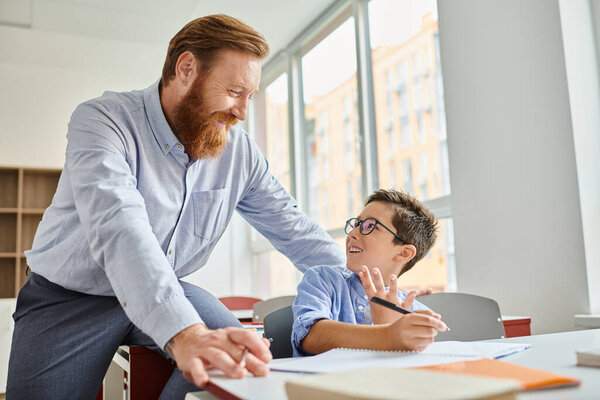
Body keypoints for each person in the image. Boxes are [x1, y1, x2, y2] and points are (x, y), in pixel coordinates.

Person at [6, 14, 345, 399]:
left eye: (250, 96)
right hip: (69, 299)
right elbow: (120, 228)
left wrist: (365, 288)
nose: (242, 112)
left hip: (169, 288)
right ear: (186, 69)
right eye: (235, 91)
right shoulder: (104, 121)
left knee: (234, 362)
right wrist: (185, 334)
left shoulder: (239, 152)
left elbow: (296, 231)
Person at [292, 189, 448, 356]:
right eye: (356, 224)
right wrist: (386, 335)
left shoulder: (413, 312)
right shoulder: (323, 279)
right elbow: (310, 337)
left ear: (404, 253)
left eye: (370, 226)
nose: (352, 234)